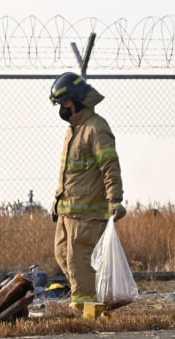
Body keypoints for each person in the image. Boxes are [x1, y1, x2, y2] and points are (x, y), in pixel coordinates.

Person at [49, 72, 125, 313]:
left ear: (77, 100)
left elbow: (109, 166)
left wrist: (115, 199)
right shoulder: (73, 130)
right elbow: (69, 173)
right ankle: (89, 304)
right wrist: (57, 203)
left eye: (63, 102)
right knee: (63, 256)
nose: (61, 108)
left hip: (86, 214)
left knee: (79, 262)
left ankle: (86, 313)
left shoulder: (96, 128)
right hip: (67, 212)